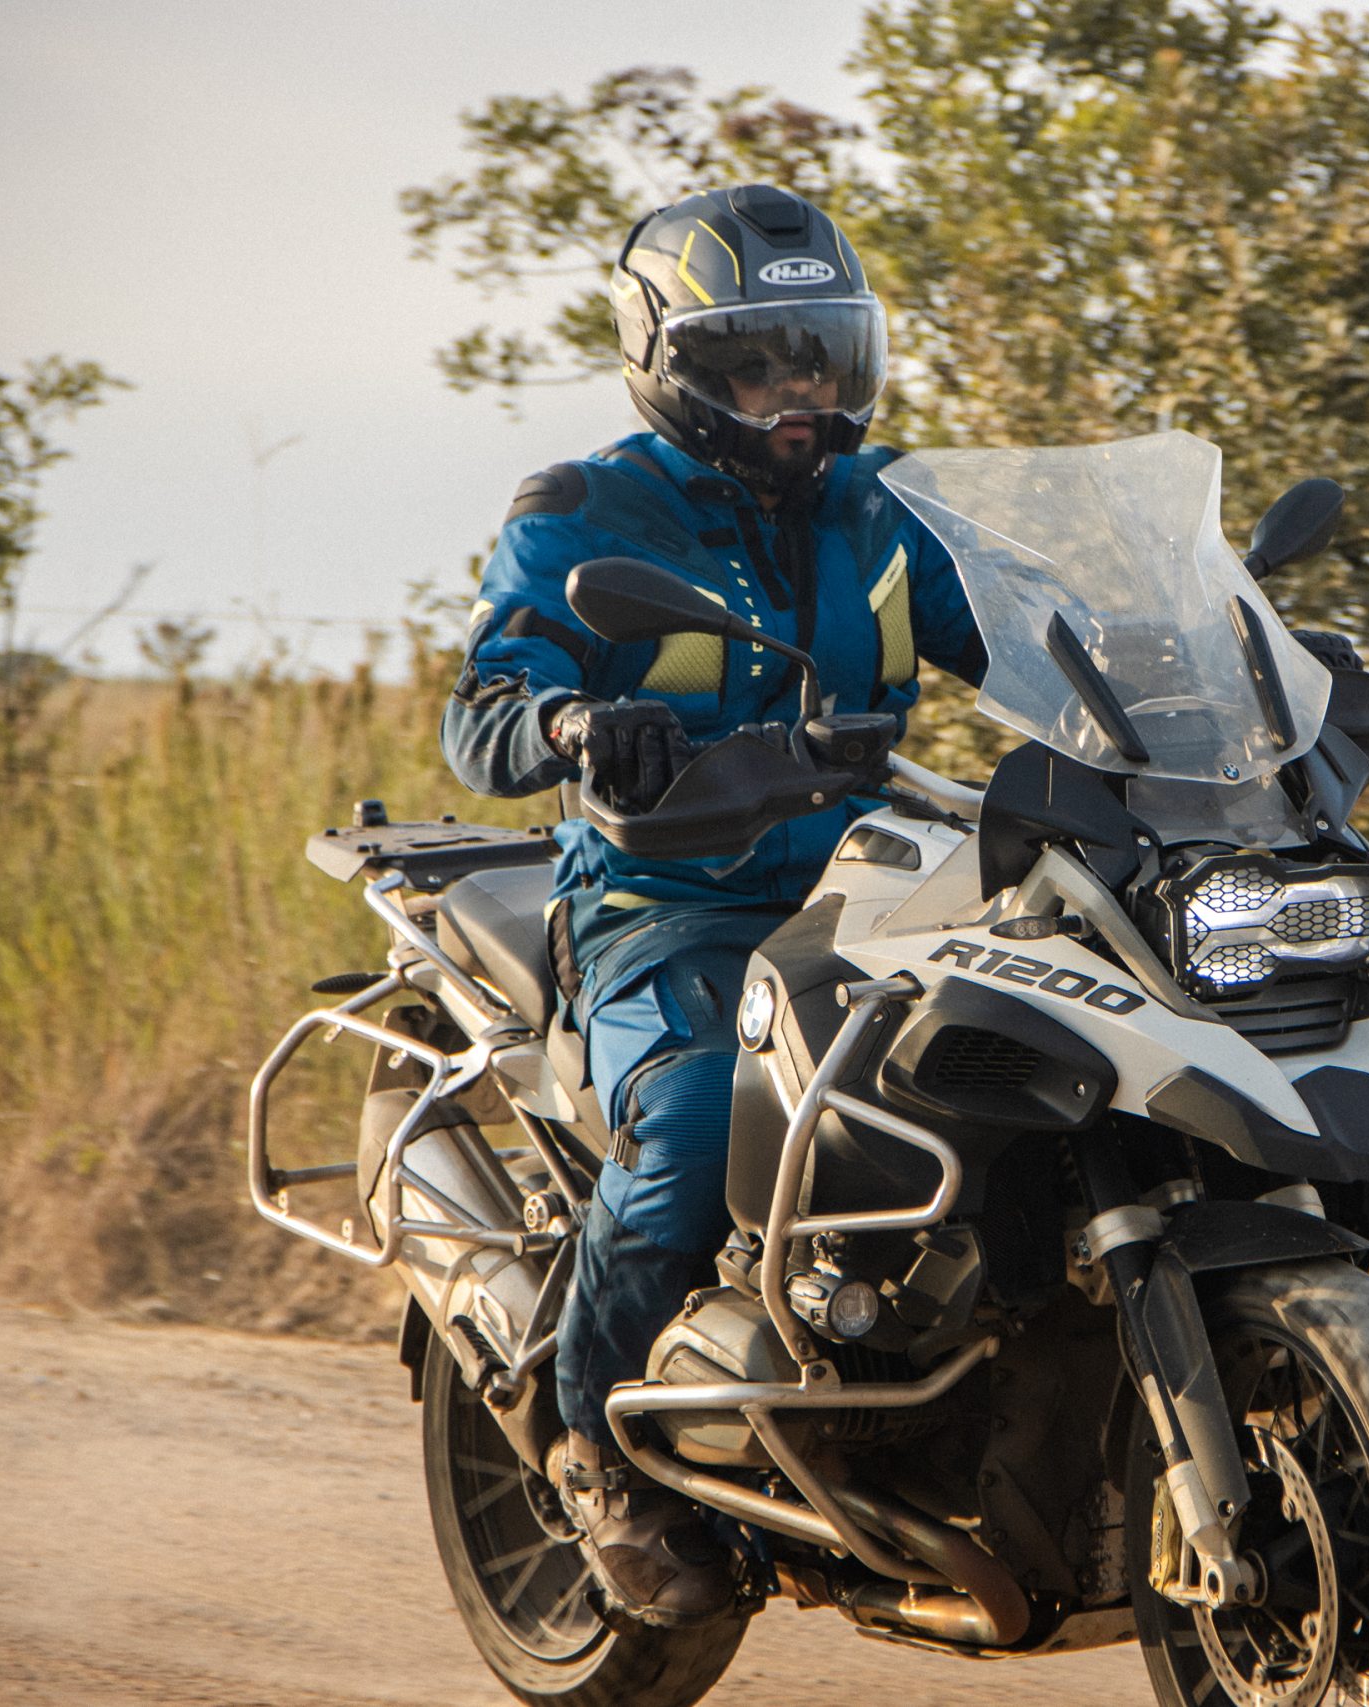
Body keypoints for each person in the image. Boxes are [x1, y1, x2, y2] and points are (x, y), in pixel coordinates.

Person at [441, 183, 985, 1624]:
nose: (800, 397)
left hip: (878, 896)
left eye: (821, 360)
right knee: (693, 1125)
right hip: (663, 906)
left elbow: (1033, 635)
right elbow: (482, 710)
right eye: (758, 366)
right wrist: (571, 725)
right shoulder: (586, 510)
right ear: (674, 364)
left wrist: (1209, 661)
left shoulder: (885, 507)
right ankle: (587, 1456)